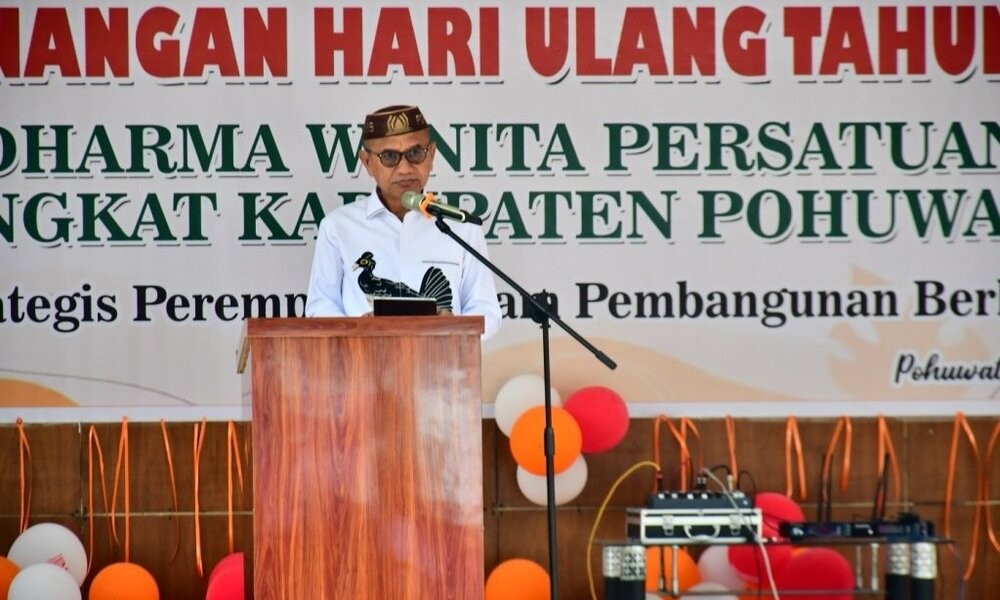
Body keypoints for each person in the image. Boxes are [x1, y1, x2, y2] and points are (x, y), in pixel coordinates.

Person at [305, 104, 502, 339]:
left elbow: (487, 311)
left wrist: (451, 327)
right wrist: (358, 331)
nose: (405, 168)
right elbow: (320, 308)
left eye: (416, 153)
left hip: (443, 359)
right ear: (367, 162)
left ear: (431, 155)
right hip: (362, 360)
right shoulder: (338, 227)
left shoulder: (461, 227)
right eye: (389, 157)